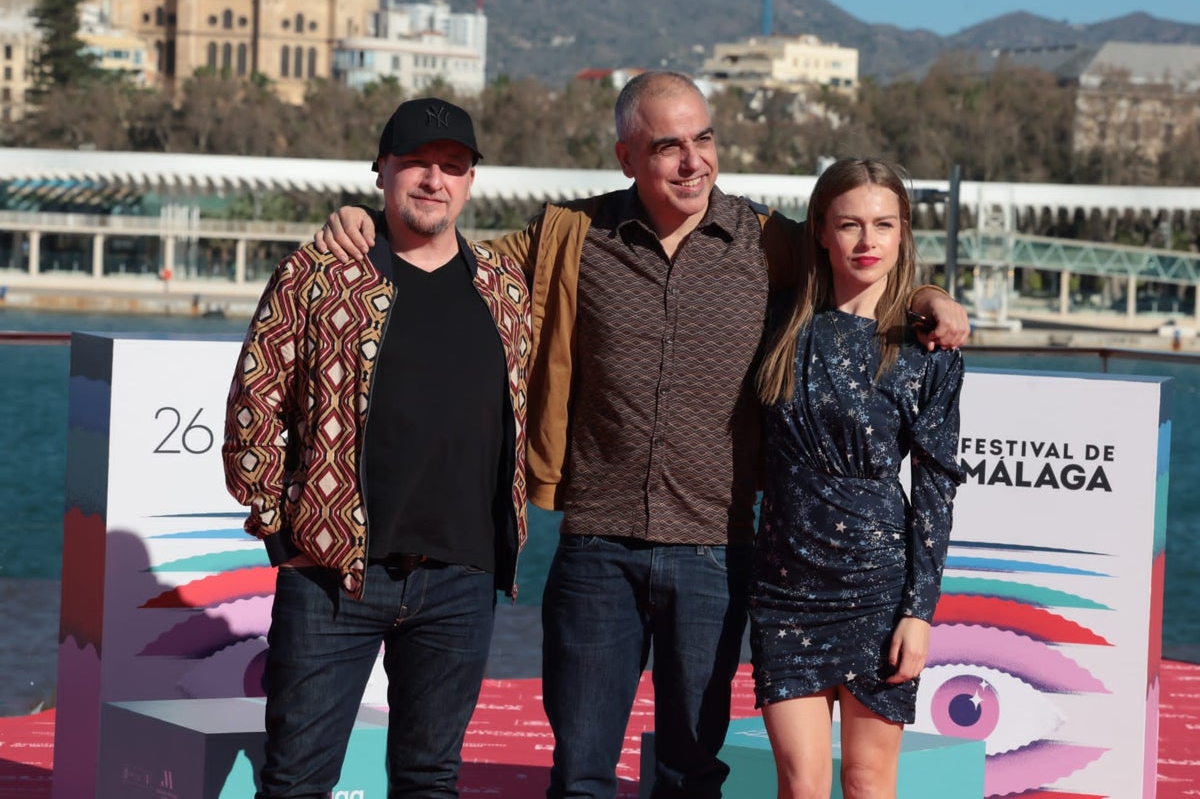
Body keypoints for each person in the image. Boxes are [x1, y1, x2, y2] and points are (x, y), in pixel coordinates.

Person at [314, 72, 969, 799]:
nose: (693, 162)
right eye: (668, 147)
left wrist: (928, 297)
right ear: (628, 157)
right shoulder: (571, 235)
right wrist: (369, 221)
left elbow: (854, 260)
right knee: (582, 773)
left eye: (704, 140)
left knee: (689, 775)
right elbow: (454, 259)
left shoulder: (766, 242)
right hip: (597, 551)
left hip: (716, 557)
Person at [222, 97, 531, 798]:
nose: (434, 179)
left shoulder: (504, 291)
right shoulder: (320, 275)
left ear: (471, 181)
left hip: (461, 579)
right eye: (416, 164)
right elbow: (255, 407)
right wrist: (283, 533)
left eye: (451, 167)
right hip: (333, 577)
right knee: (297, 780)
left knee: (430, 779)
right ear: (382, 173)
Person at [750, 157, 964, 799]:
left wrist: (919, 613)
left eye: (883, 225)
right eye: (850, 225)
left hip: (877, 586)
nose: (867, 242)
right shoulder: (777, 322)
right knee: (801, 782)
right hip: (784, 587)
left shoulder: (927, 348)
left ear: (903, 234)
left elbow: (935, 489)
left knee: (869, 782)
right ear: (820, 230)